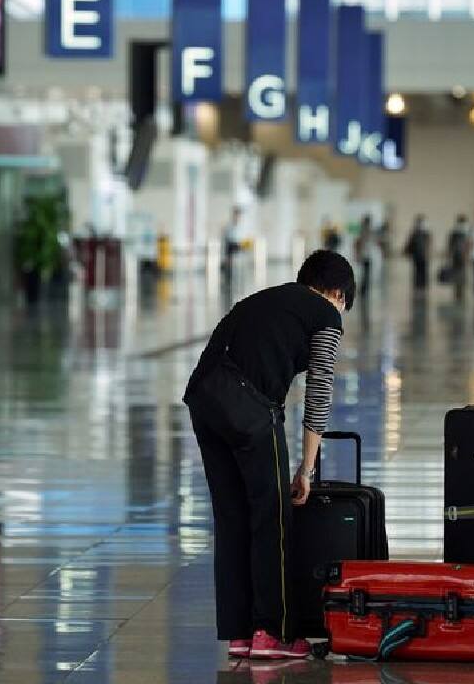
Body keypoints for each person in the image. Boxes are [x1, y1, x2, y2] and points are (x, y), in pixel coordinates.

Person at [183, 251, 354, 660]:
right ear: (335, 292)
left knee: (232, 518)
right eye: (345, 301)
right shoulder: (326, 315)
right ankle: (272, 633)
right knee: (273, 517)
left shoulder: (264, 299)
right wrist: (307, 468)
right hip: (249, 410)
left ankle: (240, 632)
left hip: (203, 401)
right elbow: (319, 393)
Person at [403, 214, 432, 291]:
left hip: (417, 256)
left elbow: (409, 244)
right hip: (421, 256)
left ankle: (419, 286)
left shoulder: (415, 233)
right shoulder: (426, 233)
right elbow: (428, 245)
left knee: (418, 271)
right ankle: (422, 286)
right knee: (422, 271)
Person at [354, 215, 380, 300]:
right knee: (366, 273)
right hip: (366, 256)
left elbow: (359, 244)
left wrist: (358, 254)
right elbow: (360, 244)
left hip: (366, 255)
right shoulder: (367, 232)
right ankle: (364, 289)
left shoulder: (364, 232)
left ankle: (364, 289)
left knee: (365, 273)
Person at [446, 214, 470, 300]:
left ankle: (458, 289)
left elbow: (450, 244)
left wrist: (449, 254)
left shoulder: (454, 231)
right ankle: (460, 289)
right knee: (461, 271)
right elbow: (468, 245)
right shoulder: (467, 231)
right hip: (461, 254)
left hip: (456, 254)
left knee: (457, 270)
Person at [222, 207, 243, 286]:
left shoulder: (239, 227)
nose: (238, 217)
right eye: (236, 215)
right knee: (229, 271)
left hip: (236, 248)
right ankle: (228, 282)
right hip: (230, 248)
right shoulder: (229, 226)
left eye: (238, 216)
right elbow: (227, 241)